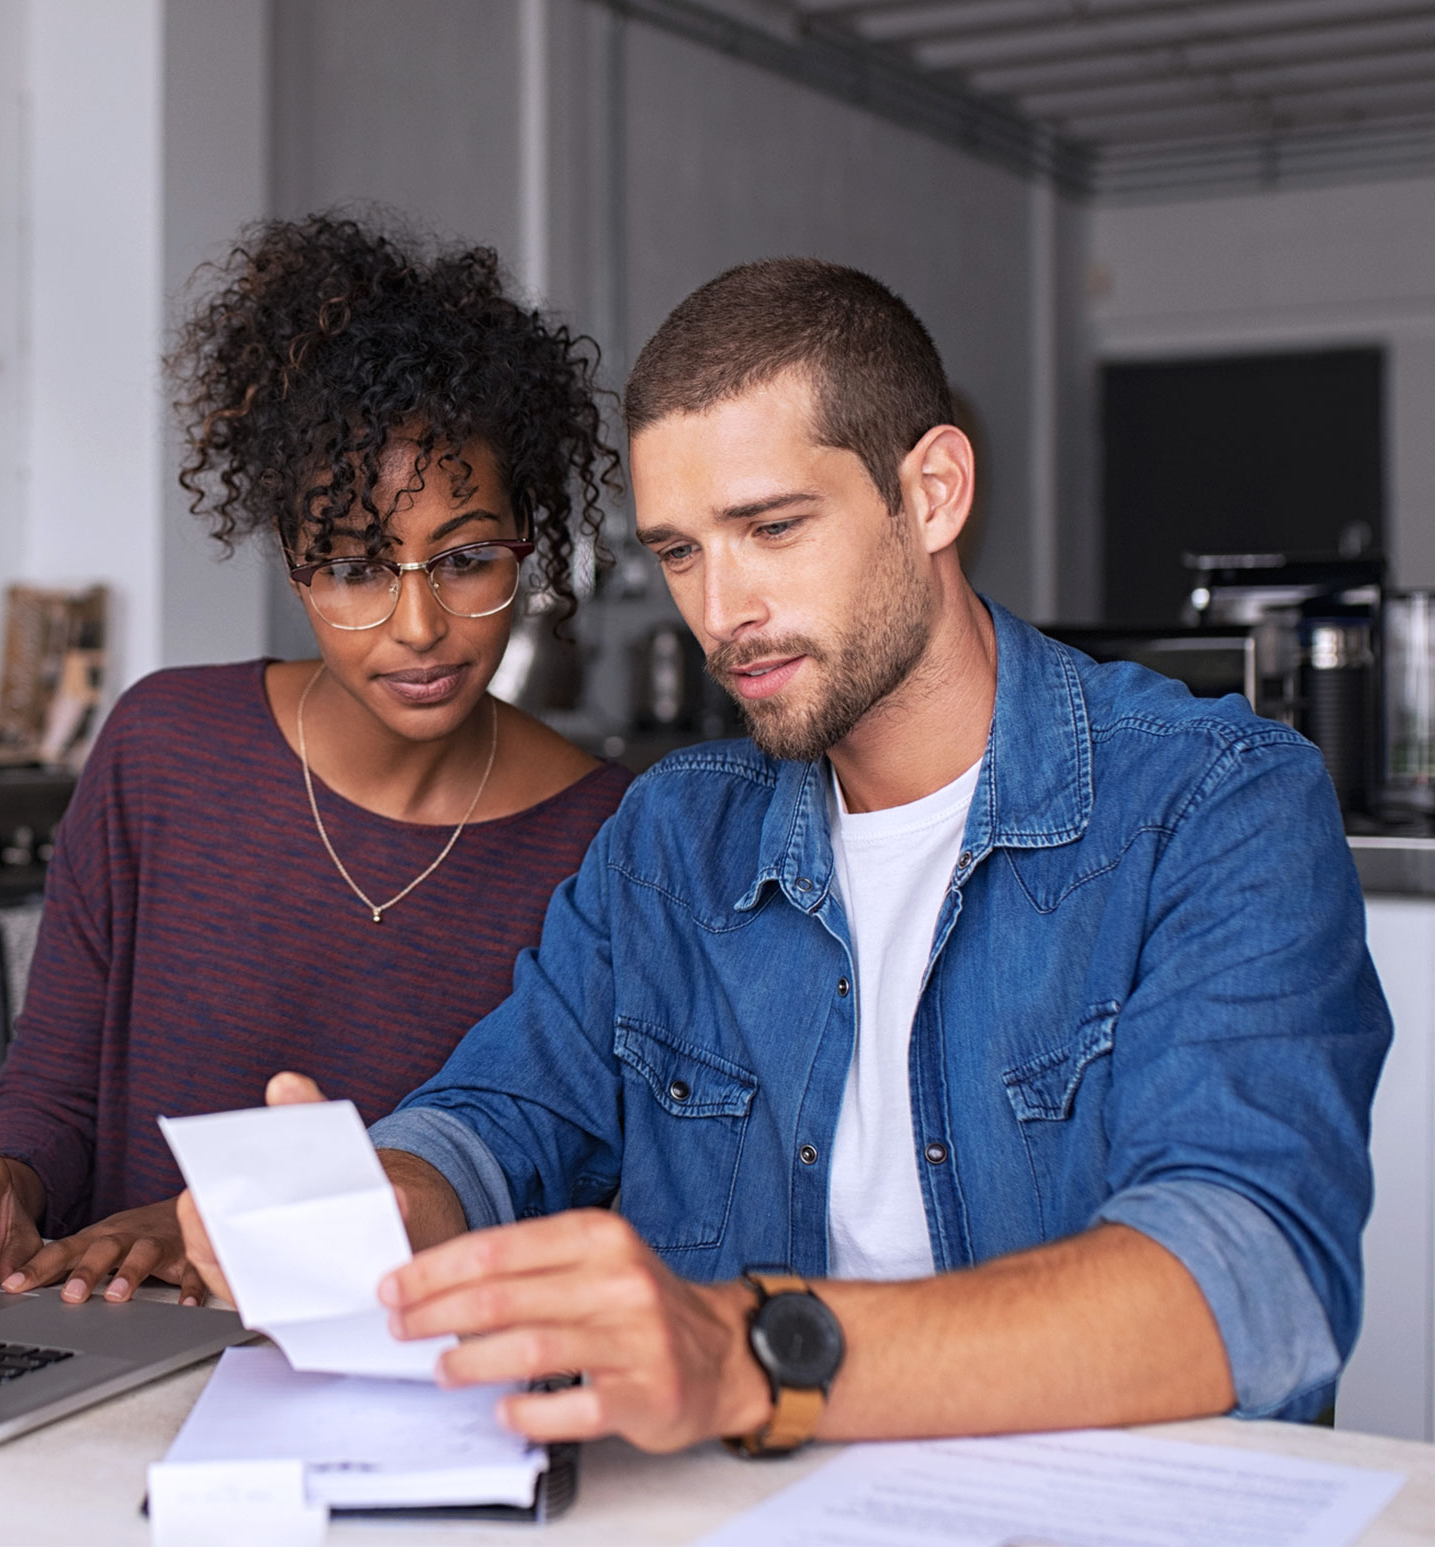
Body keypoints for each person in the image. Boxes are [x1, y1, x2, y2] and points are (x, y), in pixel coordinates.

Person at [180, 257, 1391, 1452]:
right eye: (682, 550)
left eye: (770, 527)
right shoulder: (671, 839)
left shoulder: (1215, 801)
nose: (721, 611)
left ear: (933, 493)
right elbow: (504, 1113)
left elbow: (1253, 1279)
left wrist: (753, 1353)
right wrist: (385, 1199)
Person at [0, 216, 632, 1308]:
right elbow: (55, 1091)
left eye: (468, 558)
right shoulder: (162, 749)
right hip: (112, 1358)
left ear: (528, 545)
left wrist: (212, 1227)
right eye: (353, 566)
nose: (416, 625)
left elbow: (557, 1185)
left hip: (407, 1395)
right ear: (295, 568)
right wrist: (2, 1181)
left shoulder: (607, 838)